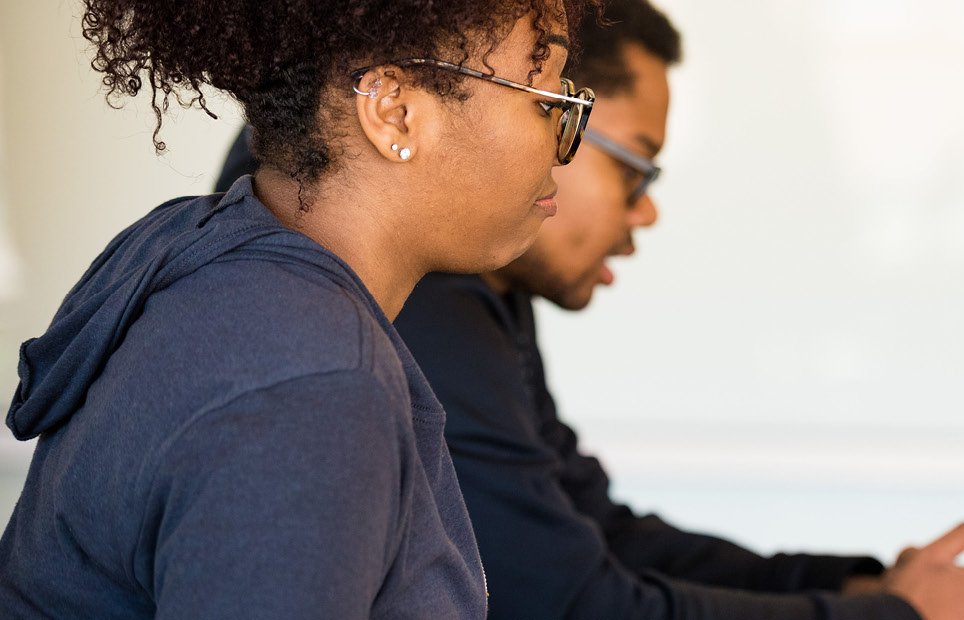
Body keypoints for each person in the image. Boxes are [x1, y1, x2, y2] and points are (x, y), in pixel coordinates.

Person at [216, 1, 964, 618]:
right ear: (397, 111)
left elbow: (587, 534)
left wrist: (862, 593)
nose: (555, 148)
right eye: (552, 109)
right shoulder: (356, 344)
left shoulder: (417, 287)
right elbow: (567, 603)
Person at [0, 0, 600, 617]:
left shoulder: (216, 263)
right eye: (546, 98)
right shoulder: (311, 384)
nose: (562, 148)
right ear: (394, 113)